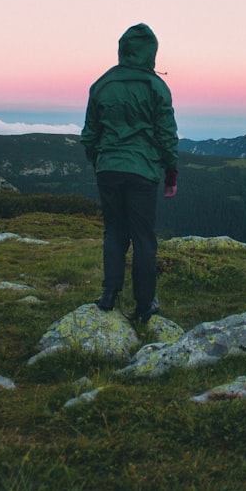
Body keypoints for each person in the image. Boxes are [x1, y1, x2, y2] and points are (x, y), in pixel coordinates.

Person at [81, 23, 179, 323]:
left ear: (122, 49)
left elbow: (89, 135)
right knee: (144, 239)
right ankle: (144, 304)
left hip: (108, 168)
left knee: (114, 232)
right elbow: (166, 135)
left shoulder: (102, 84)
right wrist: (170, 173)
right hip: (142, 171)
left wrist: (99, 162)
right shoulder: (156, 87)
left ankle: (109, 294)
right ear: (151, 52)